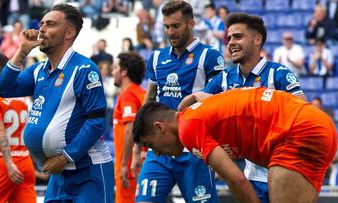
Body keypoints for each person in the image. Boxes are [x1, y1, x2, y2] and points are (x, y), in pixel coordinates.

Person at [179, 13, 307, 203]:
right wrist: (194, 96)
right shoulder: (224, 79)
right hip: (249, 178)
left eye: (238, 36)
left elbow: (305, 117)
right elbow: (187, 110)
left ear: (257, 40)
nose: (231, 42)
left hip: (283, 172)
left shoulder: (277, 73)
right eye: (229, 38)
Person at [0, 3, 114, 203]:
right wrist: (22, 50)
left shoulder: (85, 69)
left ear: (68, 33)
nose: (41, 29)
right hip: (58, 175)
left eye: (50, 24)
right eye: (41, 24)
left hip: (88, 171)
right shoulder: (38, 70)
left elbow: (97, 122)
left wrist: (65, 157)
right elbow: (3, 89)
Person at [133, 87, 337, 203]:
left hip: (296, 130)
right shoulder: (196, 115)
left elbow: (237, 180)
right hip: (317, 125)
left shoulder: (188, 128)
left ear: (160, 128)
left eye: (151, 145)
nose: (157, 153)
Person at [133, 1, 224, 202]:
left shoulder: (209, 56)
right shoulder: (157, 57)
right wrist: (137, 146)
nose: (170, 31)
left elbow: (219, 103)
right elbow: (149, 101)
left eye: (176, 26)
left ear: (191, 24)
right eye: (166, 26)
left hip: (194, 149)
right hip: (159, 150)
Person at [0, 53, 36, 203]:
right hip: (25, 163)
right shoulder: (21, 100)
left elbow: (0, 131)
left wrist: (9, 163)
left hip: (4, 166)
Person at [112, 51, 146, 203]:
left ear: (124, 71)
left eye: (115, 68)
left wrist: (124, 164)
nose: (113, 72)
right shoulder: (142, 94)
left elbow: (129, 128)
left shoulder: (127, 95)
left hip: (129, 166)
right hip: (141, 162)